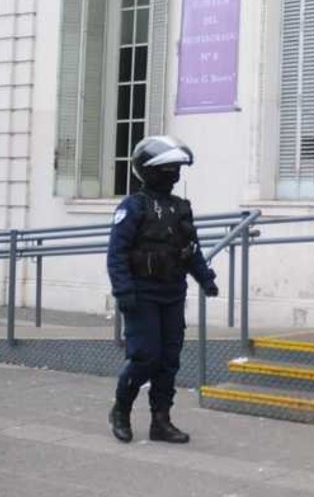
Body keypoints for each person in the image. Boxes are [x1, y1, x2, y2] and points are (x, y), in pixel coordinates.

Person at [107, 135, 218, 445]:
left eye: (176, 169)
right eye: (168, 169)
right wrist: (123, 291)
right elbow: (116, 253)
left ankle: (161, 421)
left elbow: (190, 248)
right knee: (146, 357)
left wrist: (205, 277)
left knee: (169, 359)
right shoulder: (133, 206)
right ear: (150, 171)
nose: (174, 175)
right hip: (141, 294)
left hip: (173, 292)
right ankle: (121, 410)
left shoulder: (180, 207)